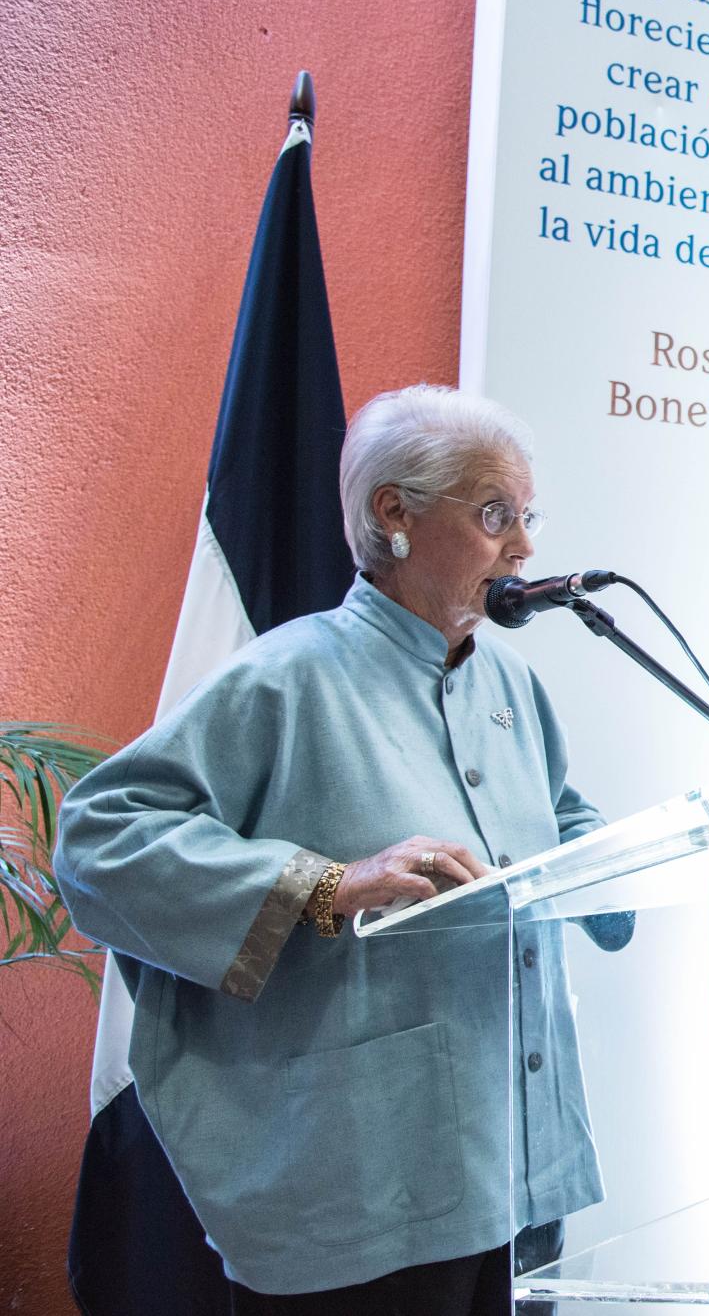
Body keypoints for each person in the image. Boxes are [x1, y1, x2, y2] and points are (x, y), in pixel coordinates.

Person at [56, 385, 611, 1314]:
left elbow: (565, 814)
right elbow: (99, 837)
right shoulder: (288, 677)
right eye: (493, 514)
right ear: (393, 513)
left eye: (527, 517)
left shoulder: (511, 684)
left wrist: (606, 863)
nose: (522, 547)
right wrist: (328, 884)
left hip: (522, 1174)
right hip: (362, 1201)